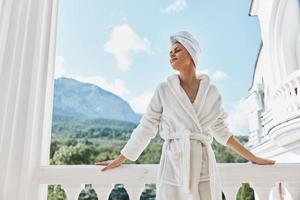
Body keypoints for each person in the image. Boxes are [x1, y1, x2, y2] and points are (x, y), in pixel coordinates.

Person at [95, 31, 275, 200]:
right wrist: (122, 157)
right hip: (173, 163)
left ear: (191, 54)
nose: (171, 55)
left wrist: (253, 158)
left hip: (204, 165)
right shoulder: (164, 90)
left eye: (177, 50)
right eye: (170, 52)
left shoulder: (211, 93)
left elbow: (222, 133)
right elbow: (146, 127)